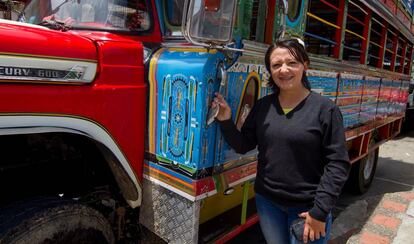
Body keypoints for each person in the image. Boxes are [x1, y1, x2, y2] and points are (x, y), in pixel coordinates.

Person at [212, 38, 351, 244]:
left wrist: (320, 212)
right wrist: (225, 120)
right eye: (276, 65)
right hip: (268, 203)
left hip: (307, 209)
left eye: (292, 63)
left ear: (305, 65)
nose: (284, 70)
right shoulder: (262, 107)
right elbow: (244, 145)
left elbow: (337, 164)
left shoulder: (325, 109)